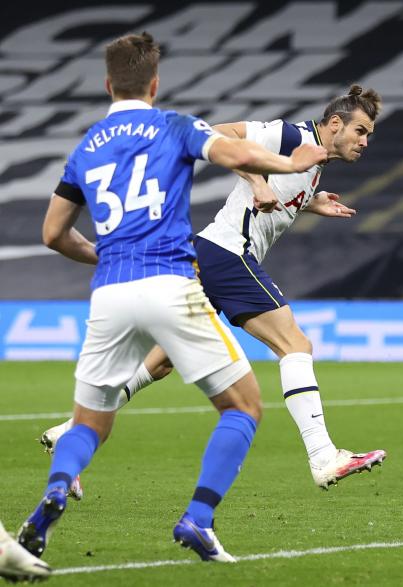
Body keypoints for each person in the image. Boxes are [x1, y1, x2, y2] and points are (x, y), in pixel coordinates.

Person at [15, 32, 327, 564]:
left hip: (110, 291)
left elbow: (52, 235)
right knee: (243, 406)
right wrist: (294, 167)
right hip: (173, 282)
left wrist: (105, 254)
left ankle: (60, 485)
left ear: (107, 84)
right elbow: (236, 151)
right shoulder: (175, 125)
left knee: (88, 422)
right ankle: (198, 519)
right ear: (154, 85)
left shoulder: (86, 145)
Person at [38, 85, 386, 494]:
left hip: (208, 256)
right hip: (228, 255)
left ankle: (70, 434)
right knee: (295, 345)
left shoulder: (311, 161)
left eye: (368, 135)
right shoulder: (291, 136)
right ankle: (324, 456)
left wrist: (312, 200)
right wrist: (256, 183)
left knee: (161, 362)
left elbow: (280, 188)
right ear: (333, 124)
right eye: (360, 131)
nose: (364, 141)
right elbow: (221, 135)